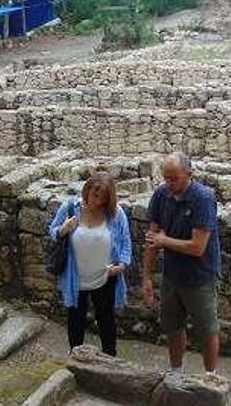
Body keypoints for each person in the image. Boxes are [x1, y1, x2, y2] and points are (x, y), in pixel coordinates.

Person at [142, 152, 221, 374]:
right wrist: (147, 277)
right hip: (172, 275)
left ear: (190, 174)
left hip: (200, 277)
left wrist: (163, 241)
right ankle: (176, 371)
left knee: (207, 330)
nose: (169, 184)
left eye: (174, 178)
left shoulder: (203, 198)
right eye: (166, 178)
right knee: (173, 326)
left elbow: (198, 247)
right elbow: (152, 237)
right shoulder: (161, 194)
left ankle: (210, 376)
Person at [48, 172, 132, 356]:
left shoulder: (116, 214)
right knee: (76, 320)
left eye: (103, 198)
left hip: (105, 276)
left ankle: (110, 360)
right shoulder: (70, 208)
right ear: (87, 189)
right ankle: (76, 357)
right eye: (95, 195)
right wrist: (63, 229)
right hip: (76, 278)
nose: (97, 201)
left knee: (106, 320)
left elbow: (125, 241)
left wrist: (122, 265)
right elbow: (52, 232)